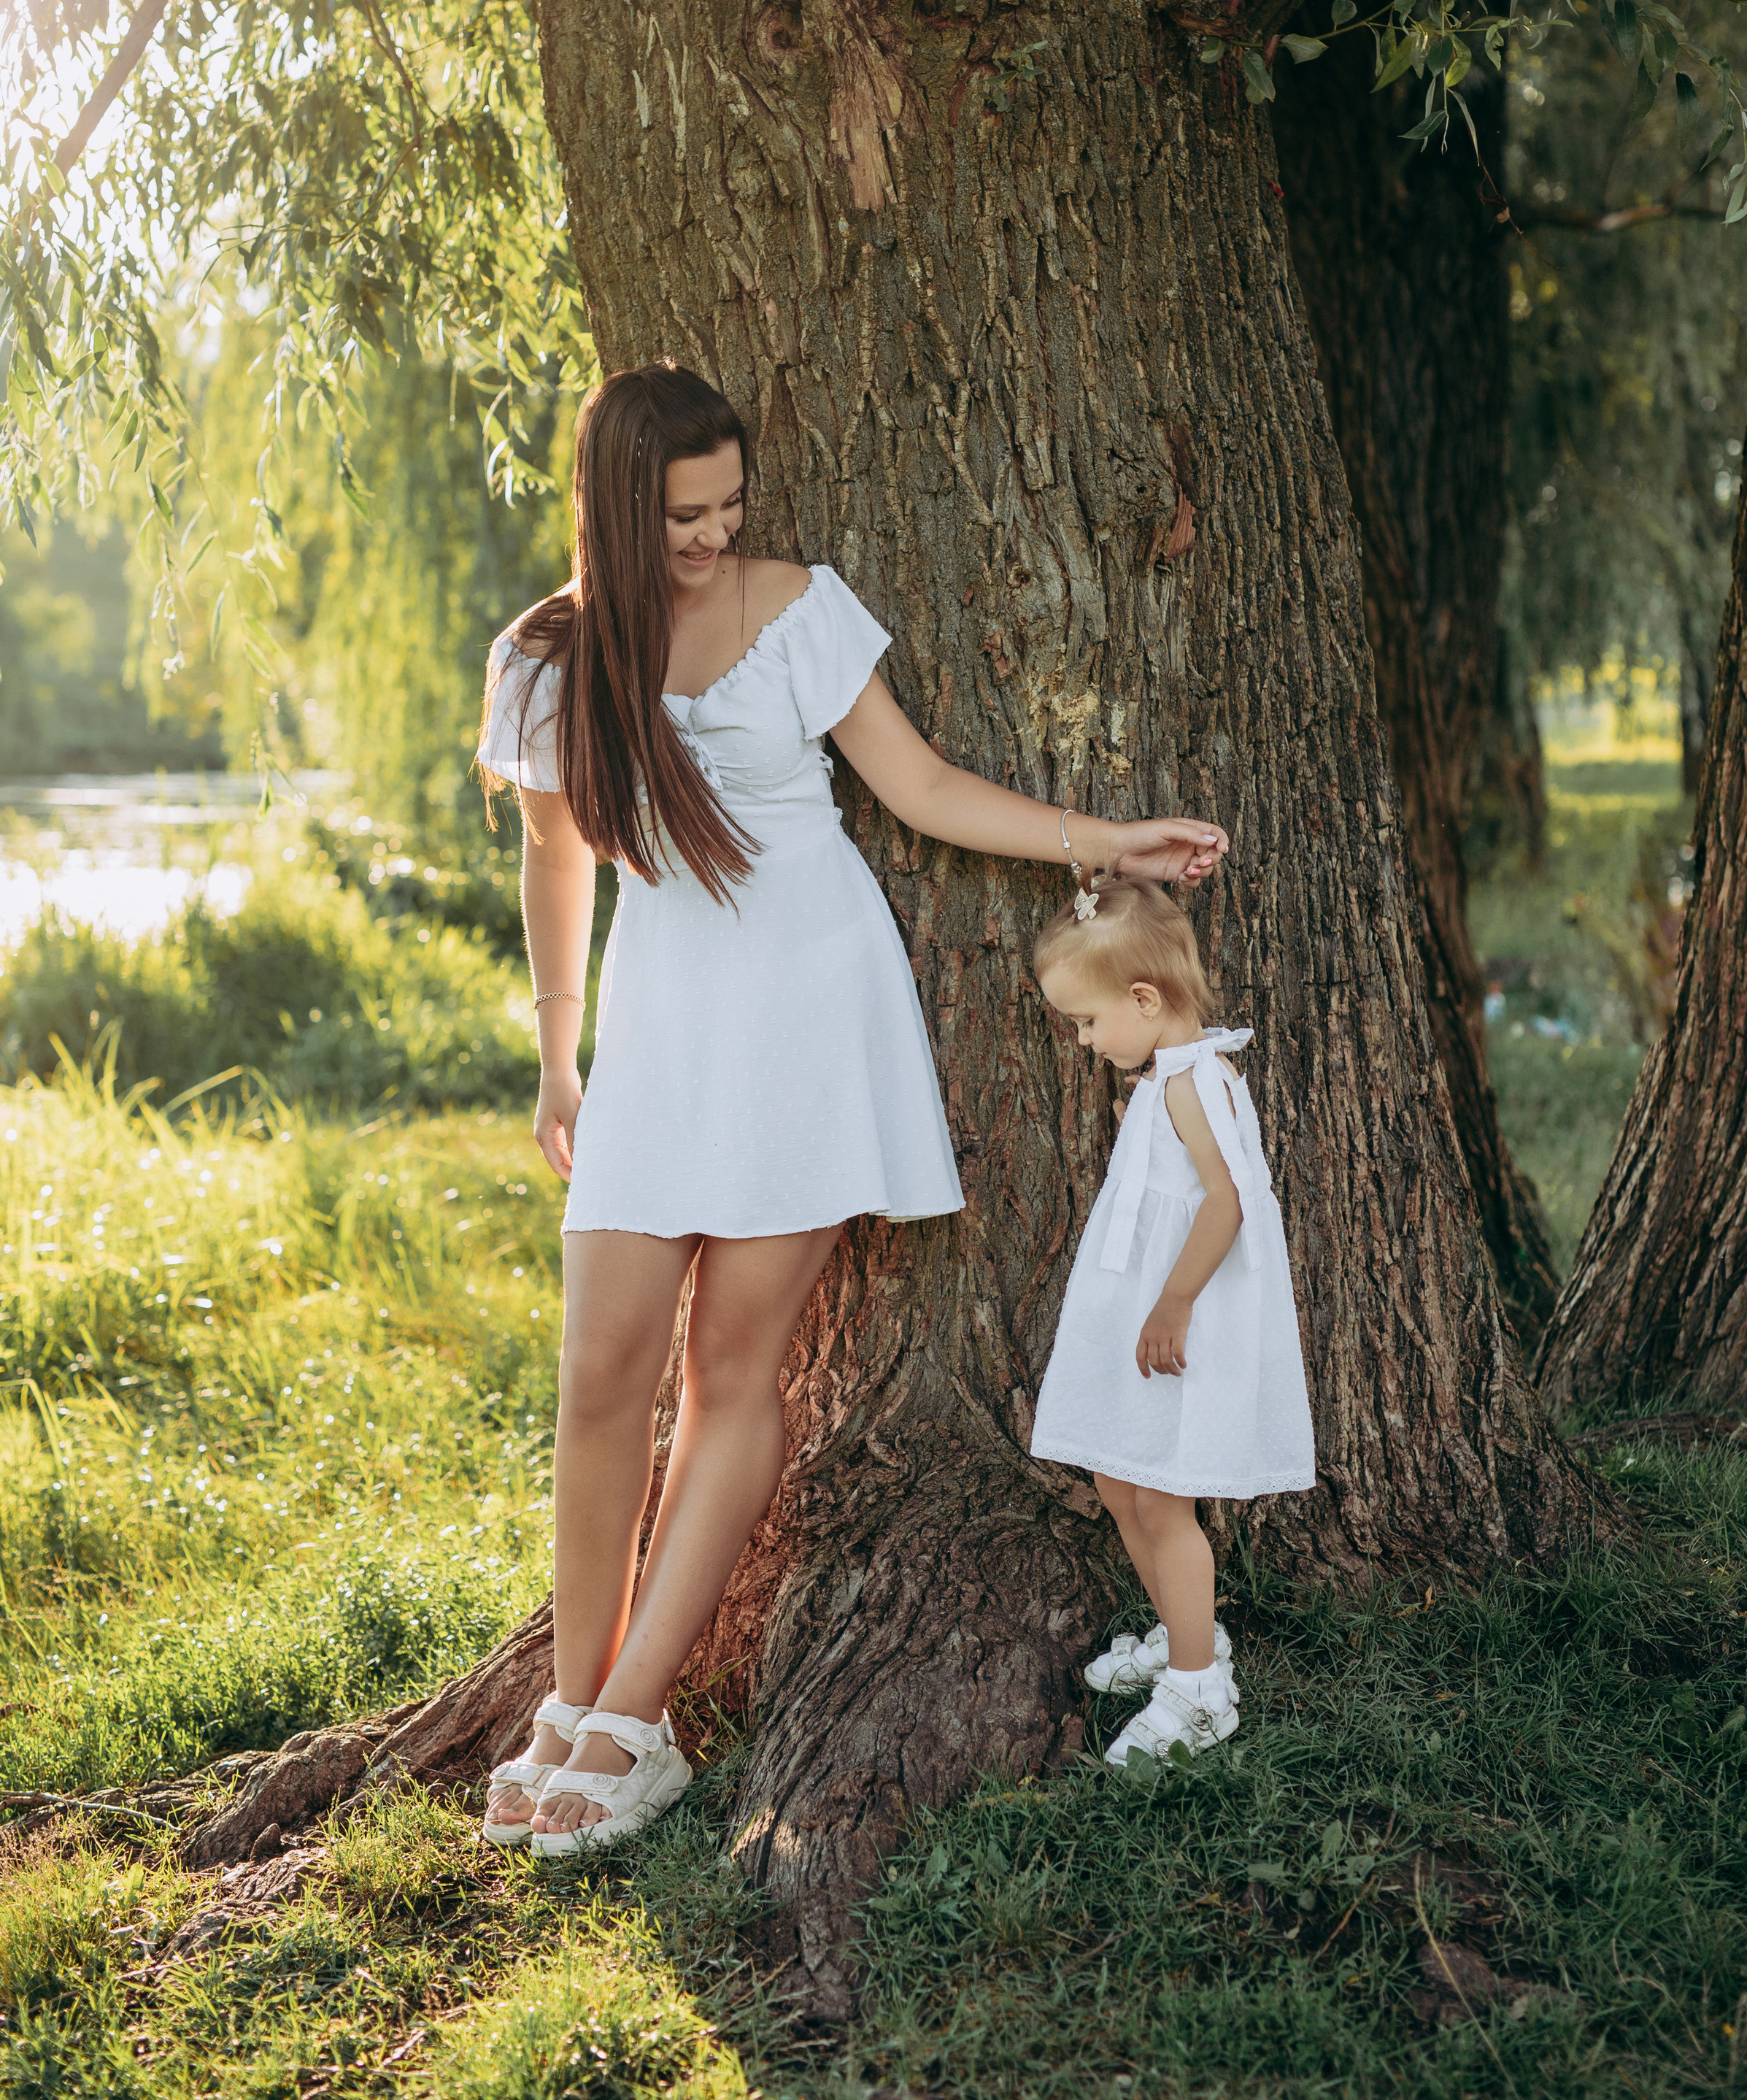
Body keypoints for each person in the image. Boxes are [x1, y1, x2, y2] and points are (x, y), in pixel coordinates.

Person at [474, 361, 1230, 1855]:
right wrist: (559, 1054)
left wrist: (1106, 835)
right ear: (614, 507)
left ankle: (630, 1728)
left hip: (810, 1014)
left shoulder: (792, 606)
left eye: (727, 505)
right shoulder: (545, 660)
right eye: (680, 514)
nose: (708, 536)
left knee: (729, 1375)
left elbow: (926, 788)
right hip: (663, 1027)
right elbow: (555, 858)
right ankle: (575, 1707)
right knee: (598, 1373)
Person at [1028, 878, 1314, 1764]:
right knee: (1120, 1480)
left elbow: (1226, 1205)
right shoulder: (1168, 1076)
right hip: (1142, 1304)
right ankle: (1184, 1637)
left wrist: (1174, 1301)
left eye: (1086, 1021)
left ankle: (1198, 1695)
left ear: (1143, 1000)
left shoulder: (1198, 1084)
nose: (1082, 1040)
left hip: (1182, 1314)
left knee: (1159, 1493)